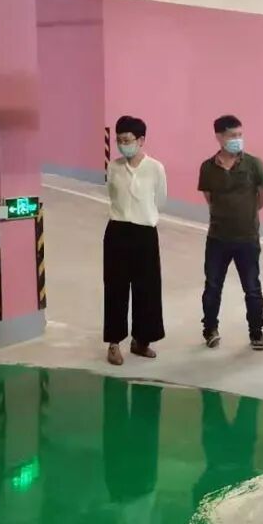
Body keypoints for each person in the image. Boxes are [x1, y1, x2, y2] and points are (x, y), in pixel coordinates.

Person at [198, 114, 263, 351]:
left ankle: (256, 332)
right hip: (217, 238)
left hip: (247, 238)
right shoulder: (208, 167)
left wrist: (245, 213)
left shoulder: (254, 164)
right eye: (232, 135)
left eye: (240, 135)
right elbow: (209, 197)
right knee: (212, 287)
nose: (238, 139)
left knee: (252, 288)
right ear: (219, 137)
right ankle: (210, 329)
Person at [103, 116, 167, 366]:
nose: (123, 145)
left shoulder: (155, 168)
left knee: (147, 289)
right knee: (115, 288)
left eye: (127, 140)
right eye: (119, 140)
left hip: (145, 233)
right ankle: (114, 343)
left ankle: (142, 341)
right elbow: (112, 196)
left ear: (141, 140)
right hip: (117, 231)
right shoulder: (114, 167)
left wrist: (143, 214)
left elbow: (160, 200)